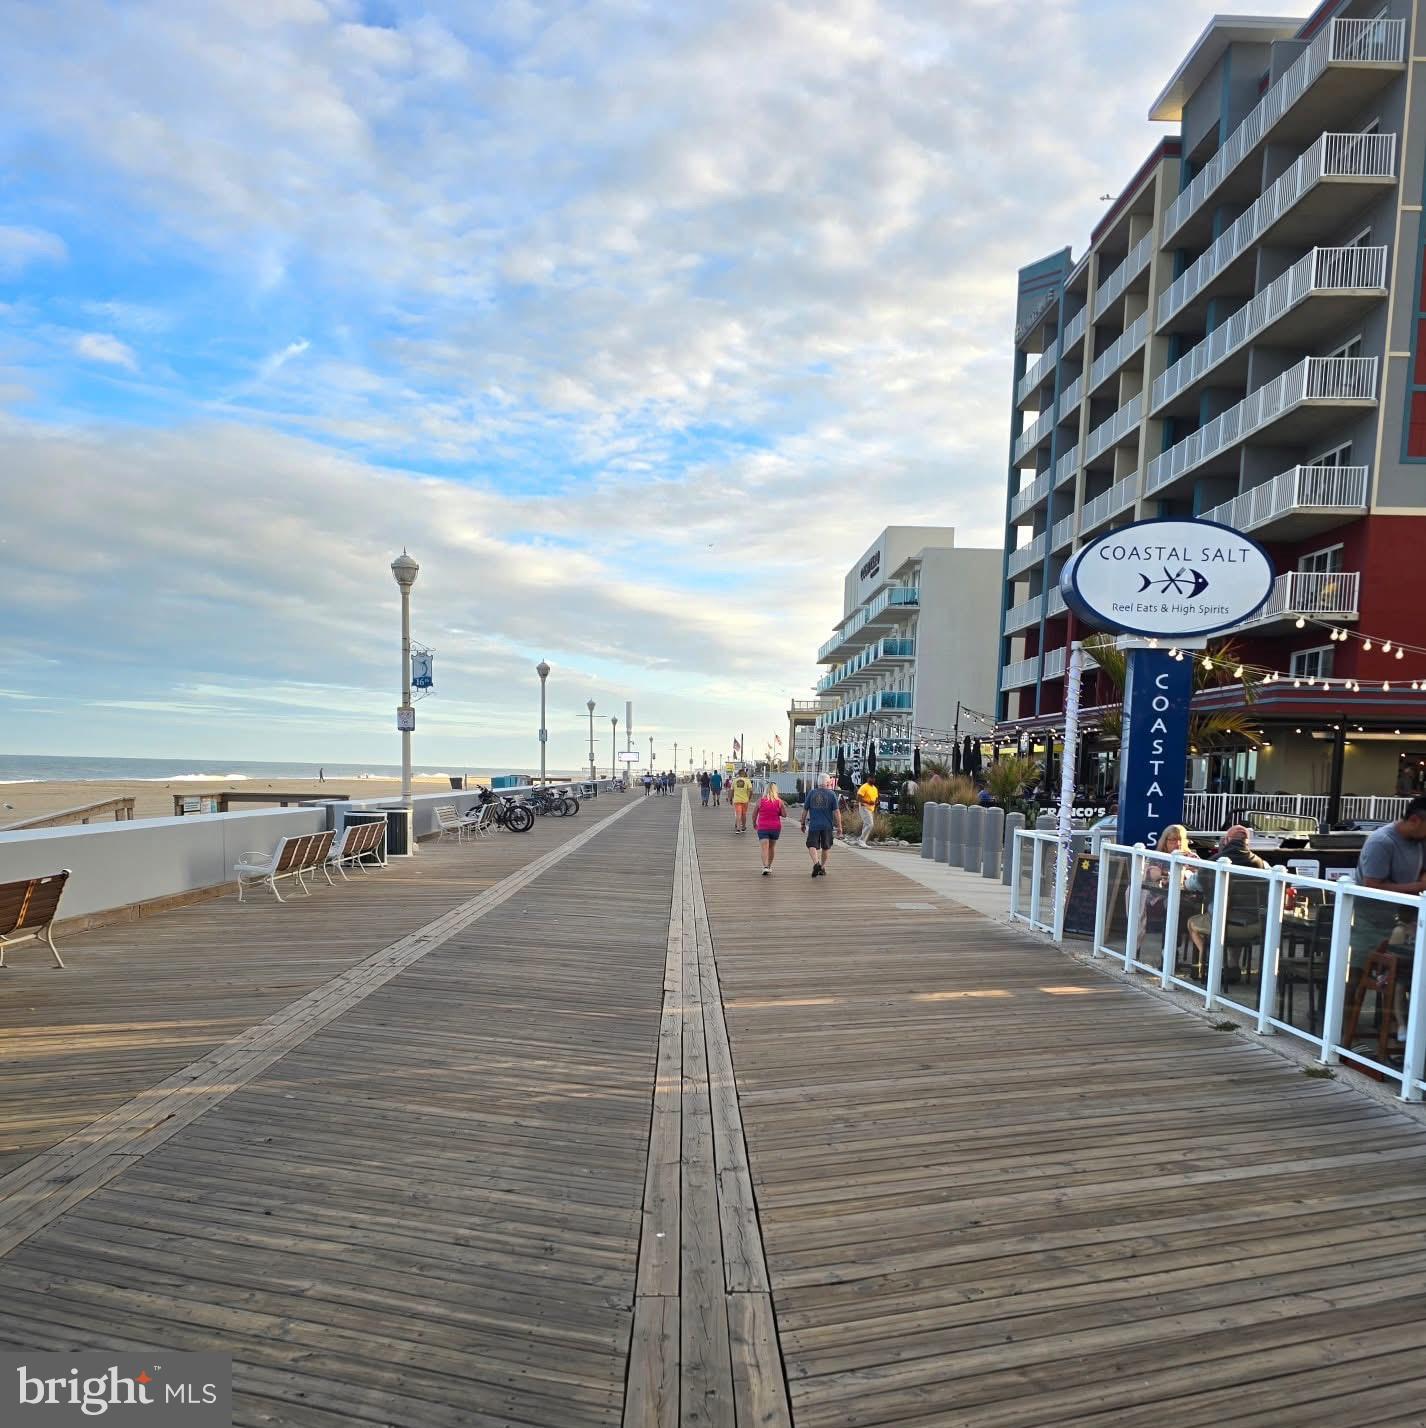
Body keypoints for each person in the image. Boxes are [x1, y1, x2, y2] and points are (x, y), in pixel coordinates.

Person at [1186, 825, 1268, 981]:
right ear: (1247, 842)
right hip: (1254, 925)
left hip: (1221, 924)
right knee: (1238, 918)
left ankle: (1211, 962)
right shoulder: (1261, 864)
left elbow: (1192, 884)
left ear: (1227, 840)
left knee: (1192, 923)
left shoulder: (1216, 861)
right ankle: (1233, 967)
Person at [801, 774, 842, 877]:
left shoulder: (811, 793)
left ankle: (816, 863)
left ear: (818, 783)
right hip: (827, 826)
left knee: (811, 845)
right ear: (828, 783)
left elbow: (805, 810)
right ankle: (822, 867)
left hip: (814, 825)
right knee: (825, 847)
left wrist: (802, 823)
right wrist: (839, 826)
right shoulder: (832, 794)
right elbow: (836, 812)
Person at [754, 783, 785, 874]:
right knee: (771, 848)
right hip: (775, 828)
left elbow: (754, 814)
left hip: (763, 827)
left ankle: (765, 866)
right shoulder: (779, 801)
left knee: (764, 848)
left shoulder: (760, 801)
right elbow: (784, 815)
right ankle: (769, 866)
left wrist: (754, 823)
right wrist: (780, 809)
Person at [853, 775, 879, 847]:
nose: (872, 779)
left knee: (866, 824)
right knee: (870, 824)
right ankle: (861, 840)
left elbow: (876, 798)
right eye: (871, 778)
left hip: (871, 809)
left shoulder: (875, 788)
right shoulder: (864, 787)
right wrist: (868, 802)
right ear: (868, 779)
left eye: (873, 778)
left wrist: (876, 802)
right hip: (864, 807)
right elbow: (858, 798)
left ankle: (862, 841)